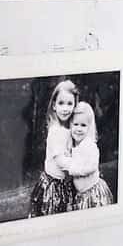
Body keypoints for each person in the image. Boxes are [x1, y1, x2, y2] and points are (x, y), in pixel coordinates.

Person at [29, 79, 78, 217]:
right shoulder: (55, 131)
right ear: (54, 106)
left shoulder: (70, 128)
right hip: (53, 185)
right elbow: (61, 161)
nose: (65, 108)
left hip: (65, 183)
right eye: (61, 103)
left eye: (70, 103)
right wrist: (79, 165)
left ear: (75, 106)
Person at [57, 102, 114, 210]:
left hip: (92, 193)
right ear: (70, 125)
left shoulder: (90, 146)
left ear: (89, 127)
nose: (78, 129)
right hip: (81, 193)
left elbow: (92, 167)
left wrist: (72, 169)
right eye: (75, 124)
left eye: (83, 125)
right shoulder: (73, 145)